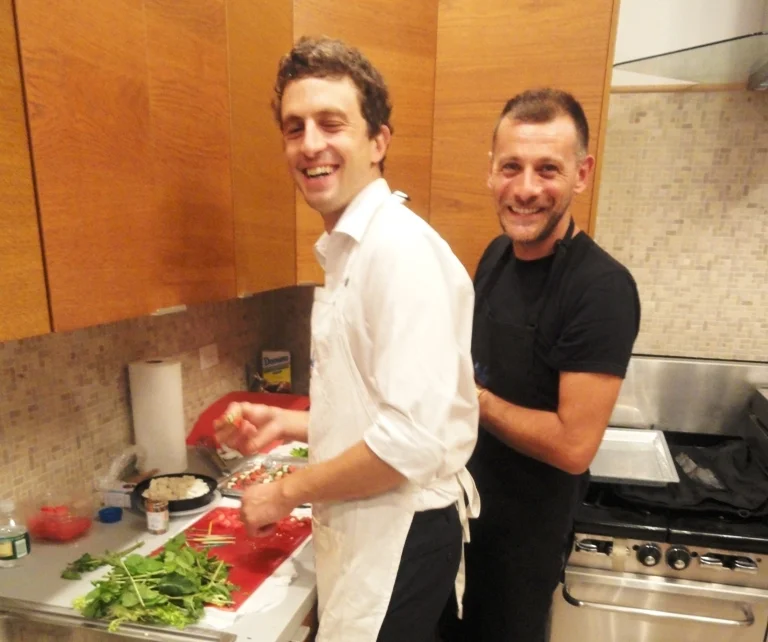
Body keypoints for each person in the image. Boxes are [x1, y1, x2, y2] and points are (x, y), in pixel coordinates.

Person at [215, 37, 479, 642]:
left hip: (399, 538)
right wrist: (289, 425)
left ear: (378, 141)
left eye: (331, 124)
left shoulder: (398, 252)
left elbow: (408, 443)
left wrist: (283, 492)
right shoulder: (353, 250)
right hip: (379, 532)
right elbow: (387, 411)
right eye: (294, 127)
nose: (310, 145)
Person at [439, 88, 641, 642]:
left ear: (581, 174)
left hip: (521, 550)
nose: (525, 189)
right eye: (512, 167)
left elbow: (573, 446)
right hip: (461, 523)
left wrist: (470, 397)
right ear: (491, 173)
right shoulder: (496, 256)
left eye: (547, 169)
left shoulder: (601, 289)